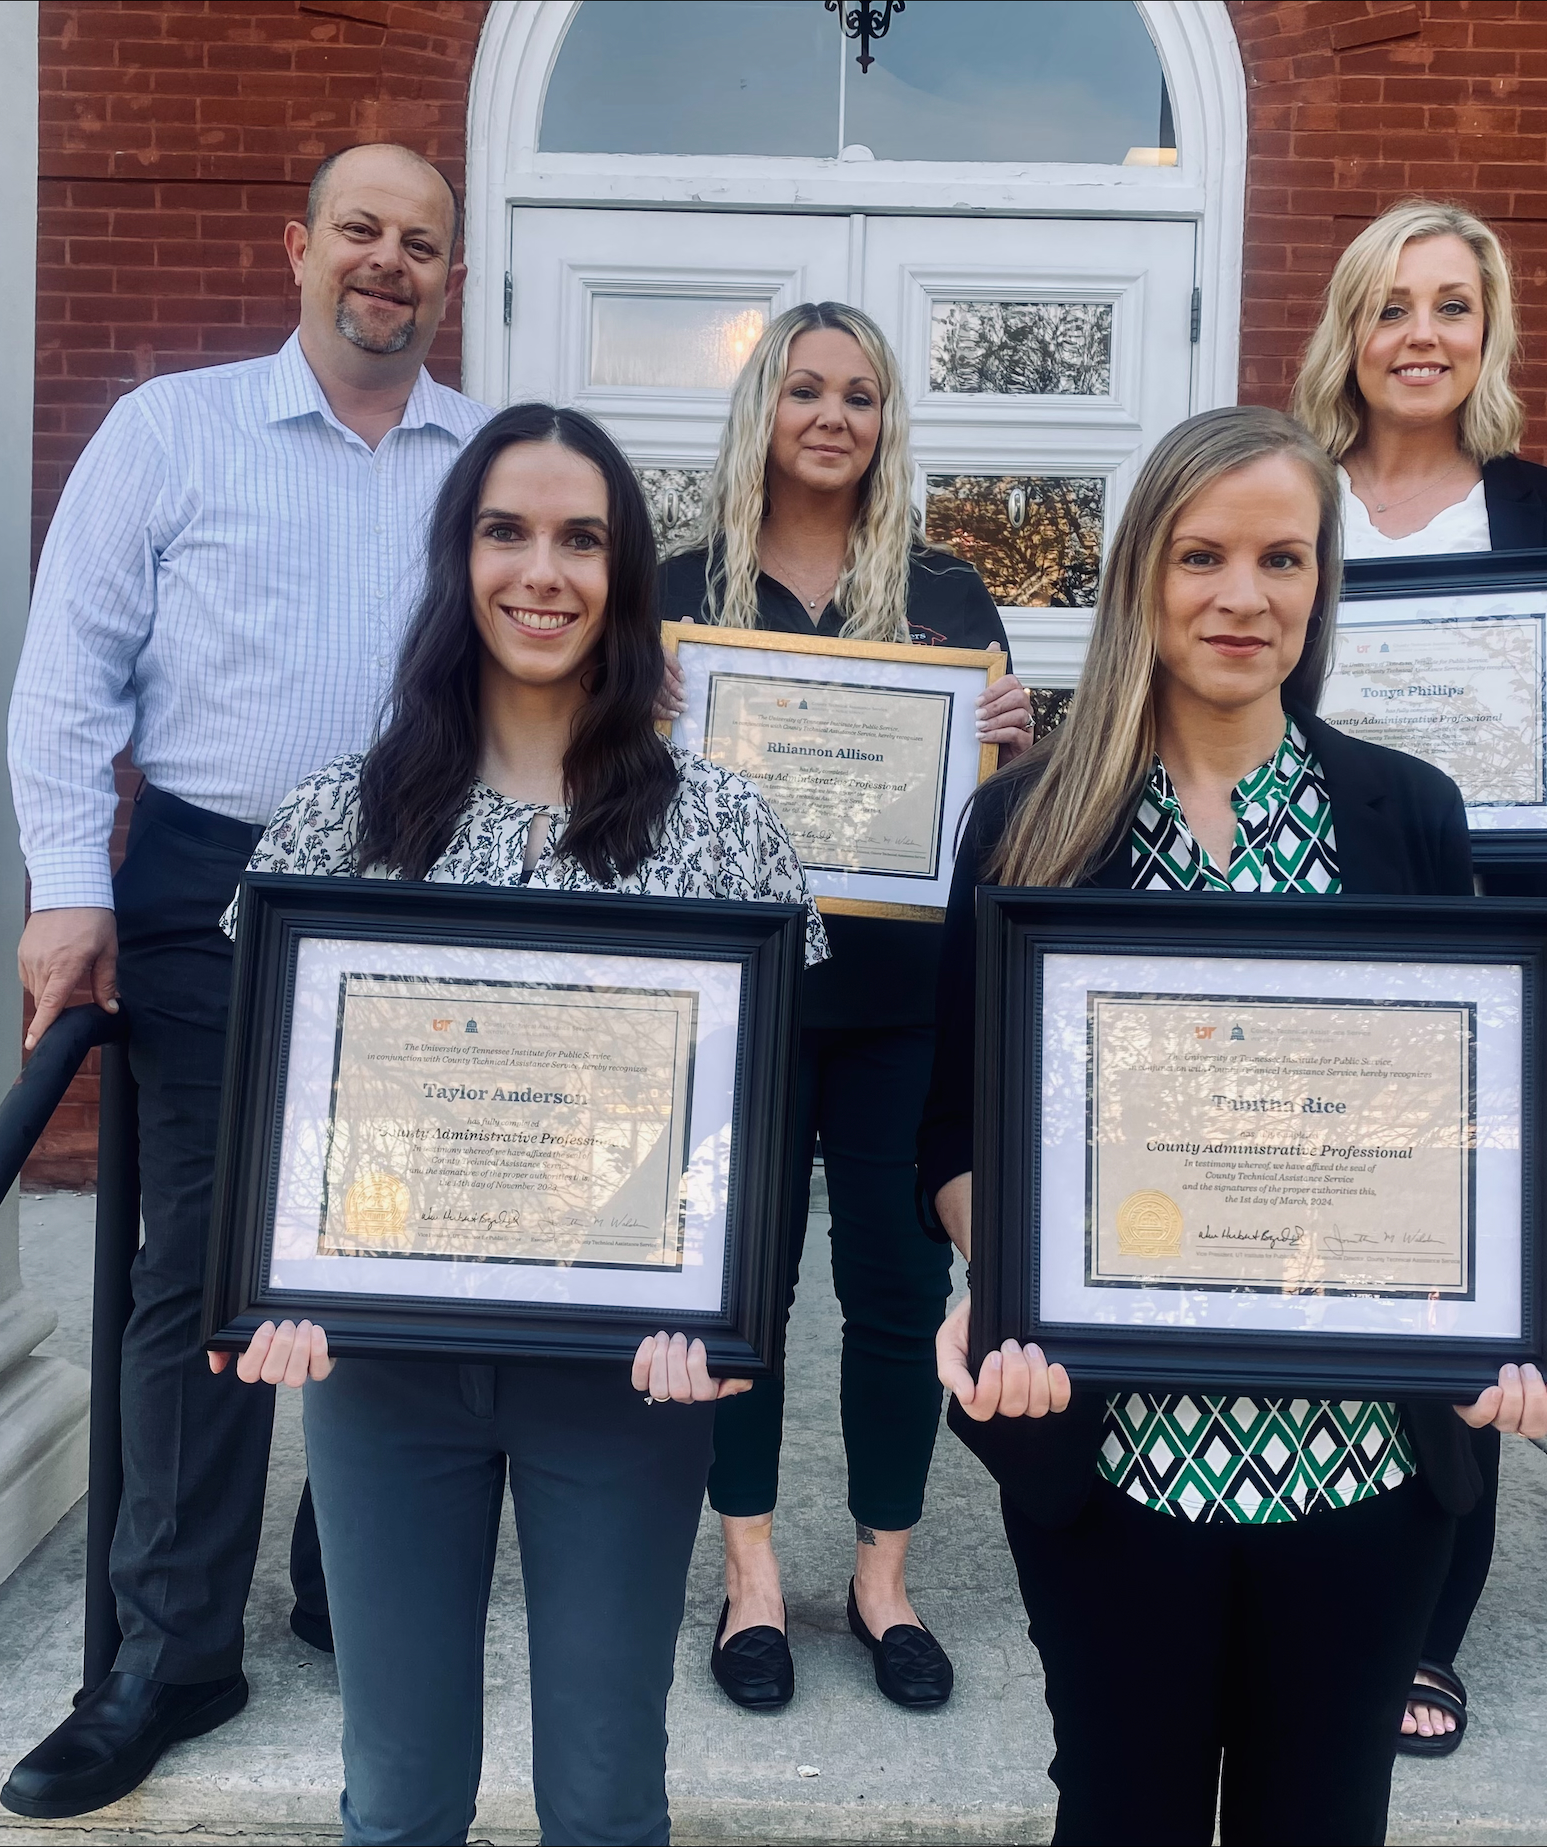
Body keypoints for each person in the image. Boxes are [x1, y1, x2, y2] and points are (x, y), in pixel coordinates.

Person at [916, 406, 1547, 1846]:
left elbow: (1471, 1120)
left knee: (1322, 1818)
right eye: (1201, 557)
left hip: (1357, 1464)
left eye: (1282, 558)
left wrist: (1531, 1307)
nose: (1243, 597)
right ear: (1138, 581)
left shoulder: (1406, 813)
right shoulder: (1030, 826)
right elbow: (951, 1134)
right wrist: (1004, 1285)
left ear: (1321, 581)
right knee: (1120, 1815)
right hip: (1109, 1455)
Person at [211, 401, 828, 1847]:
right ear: (457, 558)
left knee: (607, 1787)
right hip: (385, 1367)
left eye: (580, 537)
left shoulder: (723, 834)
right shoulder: (332, 826)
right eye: (504, 531)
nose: (539, 572)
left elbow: (761, 1133)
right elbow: (274, 1108)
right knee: (401, 1784)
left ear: (623, 577)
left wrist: (733, 1323)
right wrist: (262, 1286)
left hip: (625, 1374)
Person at [1, 144, 490, 1819]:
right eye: (359, 231)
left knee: (404, 1255)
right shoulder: (172, 431)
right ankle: (167, 1653)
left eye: (419, 243)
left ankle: (344, 1569)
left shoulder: (483, 456)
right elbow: (69, 670)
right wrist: (71, 891)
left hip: (432, 892)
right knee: (202, 1277)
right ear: (300, 247)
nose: (386, 264)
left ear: (451, 274)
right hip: (210, 880)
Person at [1290, 196, 1547, 1751]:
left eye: (1449, 305)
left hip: (1496, 952)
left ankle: (1425, 1634)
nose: (1420, 335)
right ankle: (1296, 1580)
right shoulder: (1290, 494)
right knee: (1303, 1273)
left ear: (1484, 332)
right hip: (1301, 943)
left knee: (1463, 1300)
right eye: (1391, 306)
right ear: (1350, 333)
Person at [657, 301, 1035, 1710]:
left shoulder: (945, 593)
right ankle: (750, 1573)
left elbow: (997, 820)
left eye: (860, 396)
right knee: (741, 1289)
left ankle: (884, 1575)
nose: (832, 416)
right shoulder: (678, 591)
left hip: (900, 1000)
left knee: (896, 1287)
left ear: (886, 425)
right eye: (805, 389)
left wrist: (1014, 748)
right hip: (739, 1007)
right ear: (761, 406)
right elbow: (619, 802)